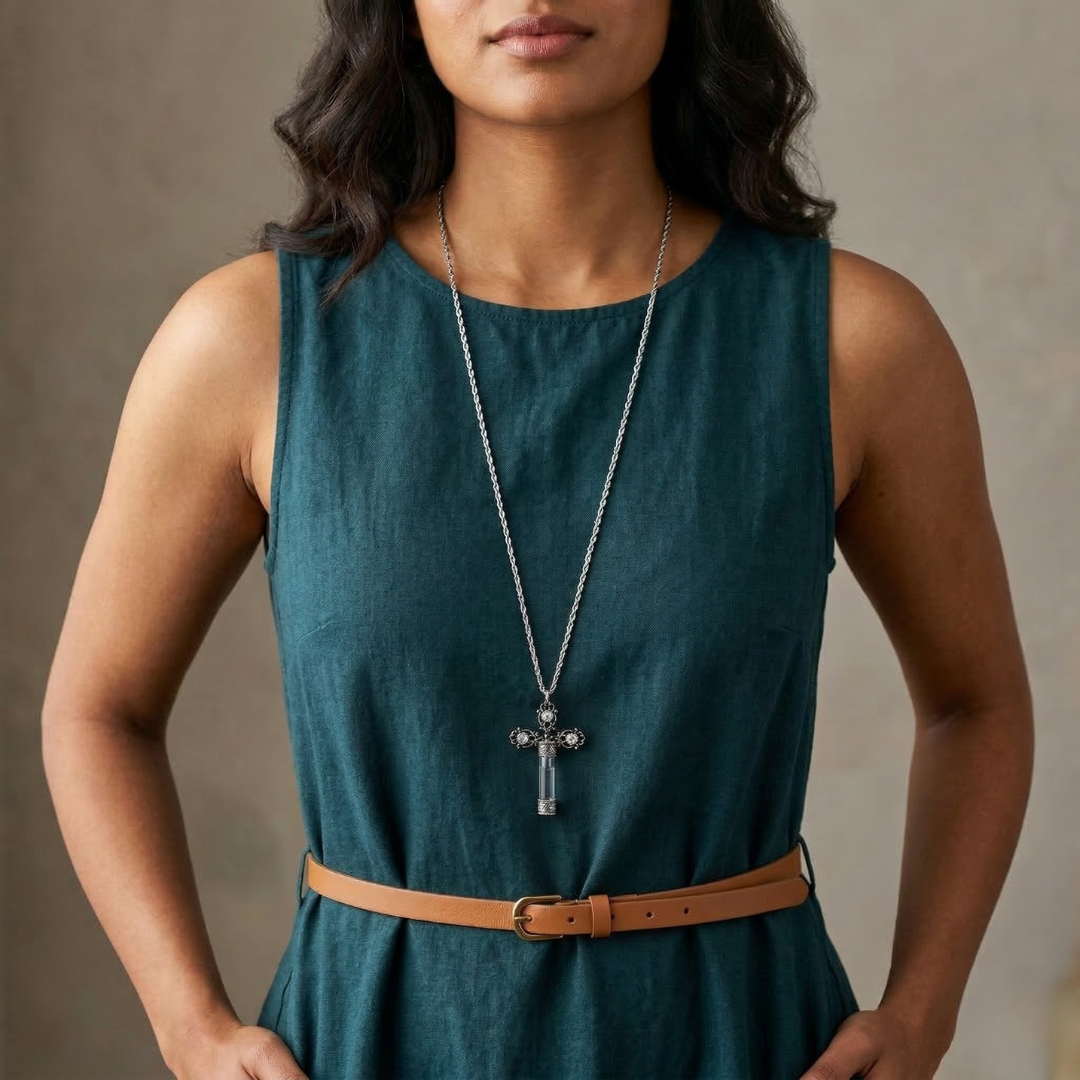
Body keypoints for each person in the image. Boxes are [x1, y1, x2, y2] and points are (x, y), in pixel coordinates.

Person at [41, 1, 1034, 1078]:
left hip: (741, 1037)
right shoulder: (249, 342)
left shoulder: (855, 340)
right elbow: (100, 708)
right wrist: (189, 1026)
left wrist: (922, 1010)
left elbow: (976, 701)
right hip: (374, 1041)